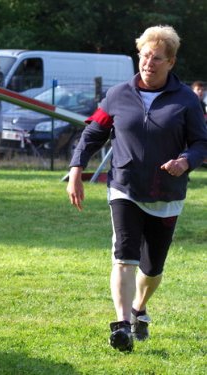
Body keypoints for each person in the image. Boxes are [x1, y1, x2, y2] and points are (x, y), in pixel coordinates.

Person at [66, 25, 207, 352]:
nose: (149, 63)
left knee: (152, 267)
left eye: (158, 58)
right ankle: (121, 325)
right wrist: (76, 169)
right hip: (124, 187)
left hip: (166, 193)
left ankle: (139, 307)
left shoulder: (186, 99)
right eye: (145, 56)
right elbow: (92, 134)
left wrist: (185, 160)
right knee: (124, 257)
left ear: (171, 62)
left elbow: (201, 142)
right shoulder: (118, 95)